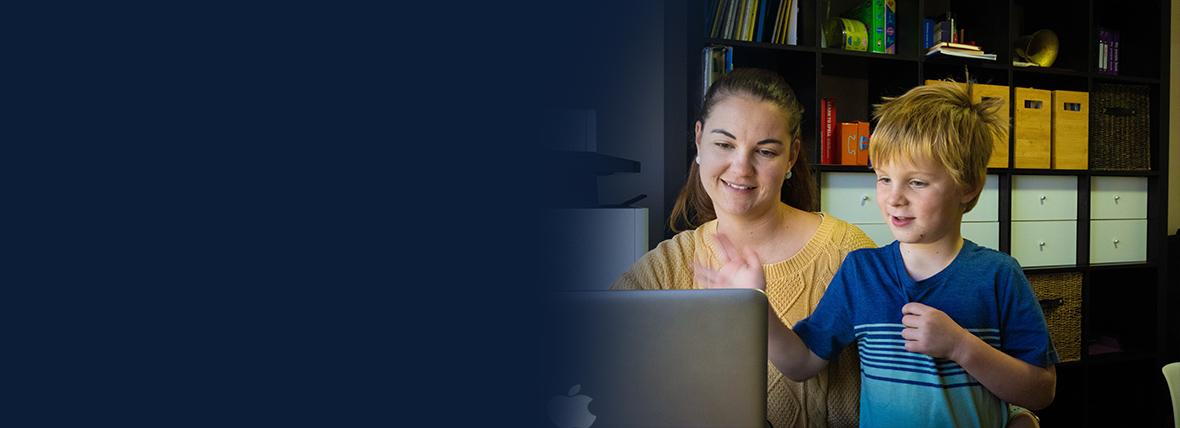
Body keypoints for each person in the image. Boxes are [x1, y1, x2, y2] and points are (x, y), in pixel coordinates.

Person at [696, 82, 1057, 427]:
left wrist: (961, 347)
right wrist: (755, 303)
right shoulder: (861, 271)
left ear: (968, 186)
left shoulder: (999, 275)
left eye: (916, 182)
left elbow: (1041, 390)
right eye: (884, 178)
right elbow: (801, 362)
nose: (894, 197)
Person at [611, 68, 877, 427]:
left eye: (765, 151)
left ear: (792, 156)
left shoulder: (849, 253)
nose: (741, 167)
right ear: (699, 140)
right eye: (724, 144)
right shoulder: (667, 265)